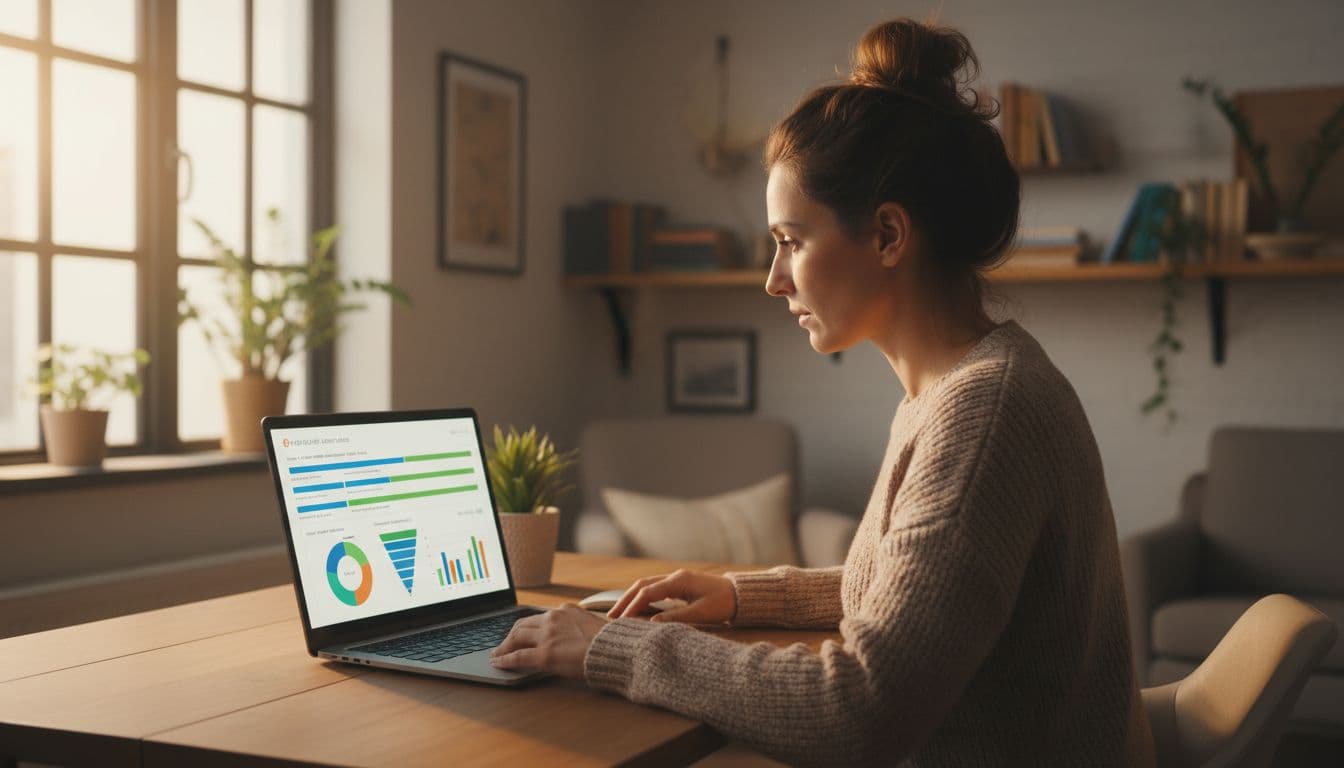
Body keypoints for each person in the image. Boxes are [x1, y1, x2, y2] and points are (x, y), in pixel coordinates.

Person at [492, 16, 1156, 767]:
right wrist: (745, 597)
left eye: (790, 241)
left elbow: (859, 712)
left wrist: (621, 649)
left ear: (887, 236)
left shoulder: (983, 412)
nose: (774, 280)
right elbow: (924, 595)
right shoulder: (964, 385)